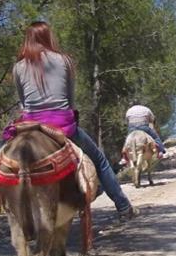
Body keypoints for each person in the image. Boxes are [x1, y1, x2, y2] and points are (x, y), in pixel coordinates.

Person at [11, 21, 135, 221]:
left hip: (30, 126)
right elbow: (70, 99)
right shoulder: (65, 61)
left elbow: (23, 102)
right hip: (61, 125)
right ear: (48, 37)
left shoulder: (18, 67)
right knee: (100, 161)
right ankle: (123, 206)